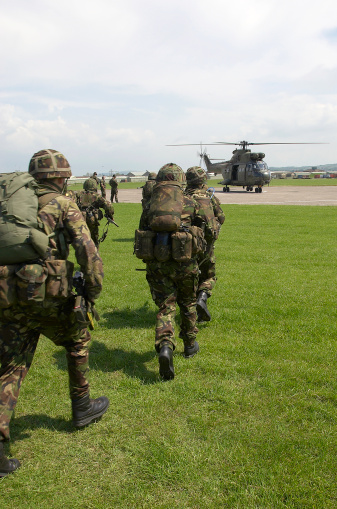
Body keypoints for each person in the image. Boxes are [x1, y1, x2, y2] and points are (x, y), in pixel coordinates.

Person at [0, 149, 109, 477]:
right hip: (47, 293)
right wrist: (91, 292)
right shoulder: (62, 203)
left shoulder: (10, 205)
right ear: (61, 177)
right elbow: (88, 254)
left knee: (9, 367)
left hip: (6, 294)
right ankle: (82, 407)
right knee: (78, 340)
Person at [137, 163, 207, 381]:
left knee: (165, 306)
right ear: (180, 180)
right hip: (185, 263)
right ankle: (189, 345)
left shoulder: (150, 204)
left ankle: (166, 346)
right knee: (187, 302)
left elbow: (142, 229)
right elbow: (205, 228)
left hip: (157, 264)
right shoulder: (190, 201)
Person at [185, 167, 225, 322]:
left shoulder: (184, 196)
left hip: (187, 244)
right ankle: (202, 297)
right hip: (206, 244)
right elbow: (221, 217)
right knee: (209, 276)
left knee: (190, 277)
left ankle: (192, 310)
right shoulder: (209, 196)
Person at [78, 177, 115, 248]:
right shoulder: (96, 196)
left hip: (79, 220)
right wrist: (110, 215)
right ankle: (94, 255)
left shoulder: (78, 195)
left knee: (81, 240)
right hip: (91, 221)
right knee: (93, 240)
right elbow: (109, 206)